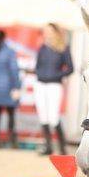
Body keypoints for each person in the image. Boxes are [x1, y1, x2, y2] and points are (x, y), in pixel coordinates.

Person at [27, 23, 74, 155]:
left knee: (54, 117)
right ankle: (48, 146)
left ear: (55, 32)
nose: (46, 33)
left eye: (49, 31)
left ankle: (62, 148)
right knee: (44, 117)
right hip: (40, 85)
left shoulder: (63, 48)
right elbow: (38, 66)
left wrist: (56, 75)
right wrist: (39, 73)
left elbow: (70, 68)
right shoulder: (42, 48)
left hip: (54, 85)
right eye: (45, 31)